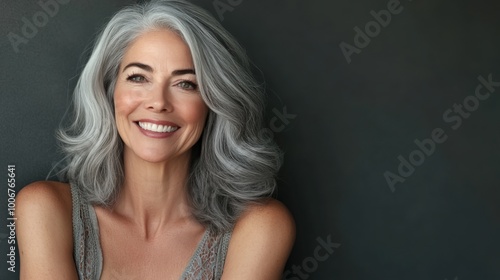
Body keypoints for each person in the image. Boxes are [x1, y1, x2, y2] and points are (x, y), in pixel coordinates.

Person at [15, 0, 295, 279]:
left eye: (185, 84)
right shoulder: (45, 209)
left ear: (213, 102)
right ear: (109, 92)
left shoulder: (259, 226)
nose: (158, 102)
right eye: (138, 78)